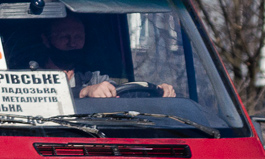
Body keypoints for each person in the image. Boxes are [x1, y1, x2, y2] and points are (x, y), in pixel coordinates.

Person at [40, 15, 176, 99]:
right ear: (46, 40)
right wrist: (83, 92)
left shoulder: (93, 78)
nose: (72, 43)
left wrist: (155, 92)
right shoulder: (30, 75)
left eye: (78, 37)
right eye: (64, 37)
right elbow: (39, 99)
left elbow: (122, 93)